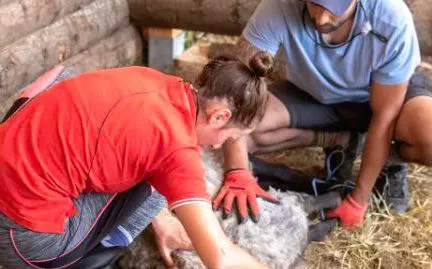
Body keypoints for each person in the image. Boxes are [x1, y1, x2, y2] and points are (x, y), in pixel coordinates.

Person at [0, 52, 274, 269]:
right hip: (26, 241)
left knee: (64, 76)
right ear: (219, 117)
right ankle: (104, 249)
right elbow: (220, 258)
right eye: (227, 138)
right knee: (155, 187)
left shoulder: (152, 78)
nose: (216, 145)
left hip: (10, 181)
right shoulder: (178, 151)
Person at [213, 0, 432, 228]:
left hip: (377, 96)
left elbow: (385, 117)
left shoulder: (391, 16)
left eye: (333, 7)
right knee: (239, 135)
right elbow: (237, 91)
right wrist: (238, 171)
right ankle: (341, 141)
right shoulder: (279, 5)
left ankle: (390, 167)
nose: (320, 18)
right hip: (313, 94)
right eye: (314, 4)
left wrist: (358, 199)